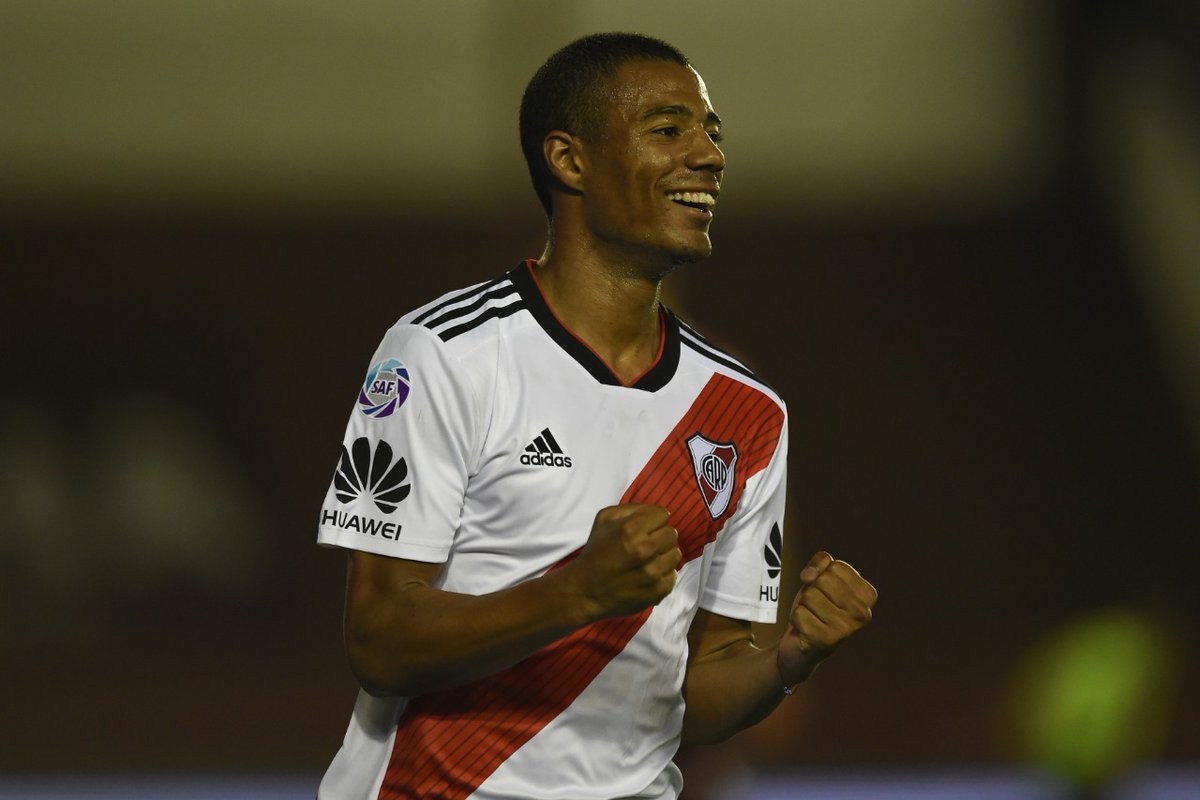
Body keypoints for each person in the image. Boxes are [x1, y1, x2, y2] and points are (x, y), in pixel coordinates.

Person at [315, 32, 877, 800]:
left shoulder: (747, 412)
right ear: (569, 161)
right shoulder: (441, 354)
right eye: (669, 129)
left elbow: (698, 688)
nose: (709, 156)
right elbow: (377, 641)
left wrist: (788, 660)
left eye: (712, 132)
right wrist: (577, 592)